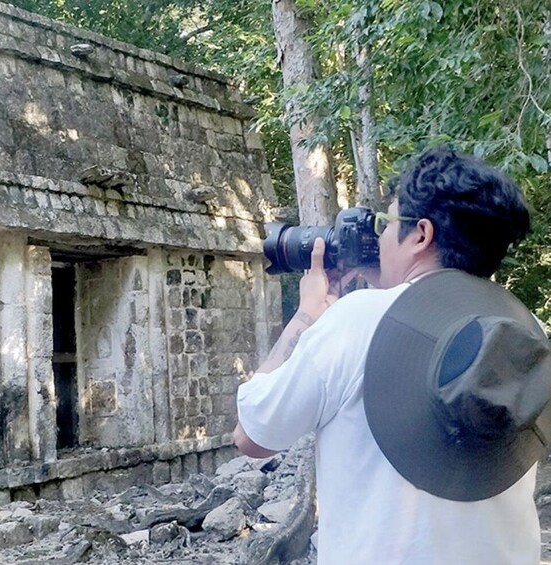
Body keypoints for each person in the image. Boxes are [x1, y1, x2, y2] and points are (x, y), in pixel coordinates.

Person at [234, 147, 551, 564]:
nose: (379, 237)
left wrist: (307, 315)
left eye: (387, 224)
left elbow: (252, 437)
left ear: (420, 234)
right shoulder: (526, 330)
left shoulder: (356, 320)